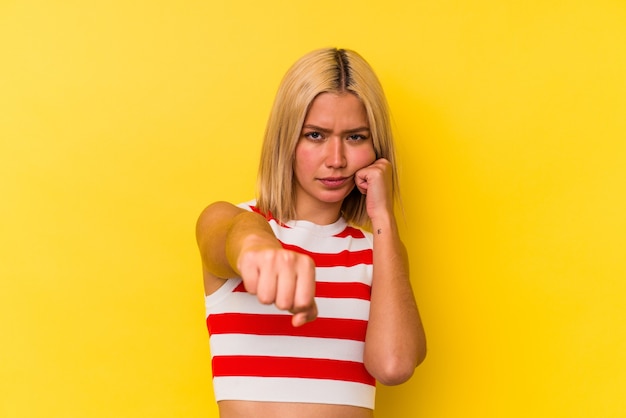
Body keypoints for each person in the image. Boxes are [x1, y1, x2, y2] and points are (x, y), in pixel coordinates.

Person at [196, 47, 426, 418]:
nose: (336, 159)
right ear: (286, 140)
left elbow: (394, 366)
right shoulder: (234, 220)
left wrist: (382, 215)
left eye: (355, 137)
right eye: (315, 135)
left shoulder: (378, 251)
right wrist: (261, 252)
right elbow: (236, 236)